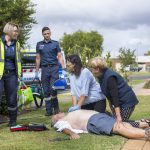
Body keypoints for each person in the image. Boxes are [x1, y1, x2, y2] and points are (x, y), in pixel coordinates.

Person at [88, 57, 150, 128]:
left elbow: (115, 97)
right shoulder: (101, 76)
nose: (91, 70)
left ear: (97, 69)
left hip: (127, 102)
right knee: (116, 121)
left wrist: (118, 115)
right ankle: (143, 121)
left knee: (121, 123)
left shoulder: (109, 77)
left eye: (91, 68)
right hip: (120, 102)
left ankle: (146, 124)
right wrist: (111, 107)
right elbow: (108, 93)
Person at [51, 110, 150, 140]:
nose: (59, 112)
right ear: (56, 119)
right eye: (56, 114)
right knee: (118, 128)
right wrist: (72, 134)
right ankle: (146, 134)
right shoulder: (60, 121)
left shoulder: (69, 113)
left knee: (123, 124)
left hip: (98, 116)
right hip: (92, 121)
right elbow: (63, 128)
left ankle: (145, 129)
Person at [35, 27, 65, 116]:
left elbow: (59, 56)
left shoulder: (55, 43)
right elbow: (38, 58)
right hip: (44, 69)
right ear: (42, 34)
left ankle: (56, 109)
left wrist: (63, 69)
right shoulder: (39, 44)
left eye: (48, 33)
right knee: (46, 90)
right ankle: (48, 111)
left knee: (53, 89)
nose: (47, 35)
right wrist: (36, 71)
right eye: (45, 34)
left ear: (50, 33)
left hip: (54, 69)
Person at [0, 22, 21, 127]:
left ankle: (13, 121)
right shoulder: (0, 42)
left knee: (12, 98)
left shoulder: (17, 44)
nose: (16, 33)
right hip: (0, 75)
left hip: (12, 74)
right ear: (8, 30)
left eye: (17, 31)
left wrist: (19, 74)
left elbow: (18, 61)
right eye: (15, 30)